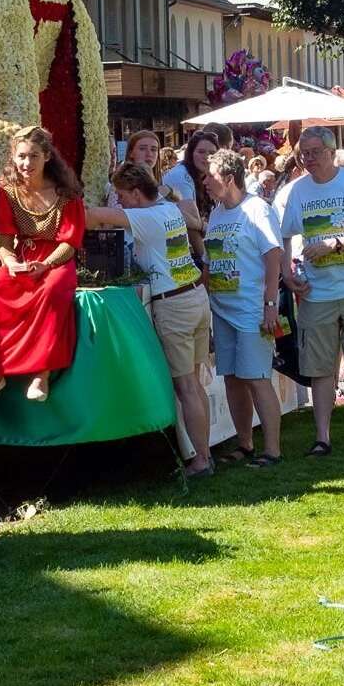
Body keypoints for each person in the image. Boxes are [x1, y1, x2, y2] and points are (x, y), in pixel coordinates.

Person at [87, 163, 213, 475]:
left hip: (174, 305)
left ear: (135, 192)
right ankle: (205, 455)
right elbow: (169, 193)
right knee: (194, 384)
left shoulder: (147, 217)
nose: (120, 202)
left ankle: (200, 460)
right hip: (195, 295)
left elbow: (94, 217)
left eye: (121, 195)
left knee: (185, 386)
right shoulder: (169, 209)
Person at [278, 125, 344, 458]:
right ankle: (322, 438)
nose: (307, 160)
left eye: (313, 153)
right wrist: (286, 274)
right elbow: (284, 236)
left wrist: (335, 243)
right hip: (317, 293)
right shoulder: (297, 191)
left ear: (330, 151)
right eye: (303, 154)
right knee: (319, 368)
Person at [0, 126, 83, 402]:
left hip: (56, 260)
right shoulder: (8, 190)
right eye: (22, 156)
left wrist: (47, 264)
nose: (27, 163)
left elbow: (70, 242)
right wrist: (10, 261)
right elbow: (3, 235)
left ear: (47, 156)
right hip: (22, 257)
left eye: (34, 156)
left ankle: (42, 375)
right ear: (14, 157)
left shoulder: (66, 192)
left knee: (52, 292)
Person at [201, 149, 284, 466]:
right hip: (222, 310)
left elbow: (273, 257)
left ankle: (273, 450)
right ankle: (246, 444)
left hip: (252, 309)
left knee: (256, 377)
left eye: (210, 175)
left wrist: (270, 304)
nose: (205, 181)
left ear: (228, 177)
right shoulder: (219, 212)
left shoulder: (257, 210)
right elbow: (210, 262)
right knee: (233, 378)